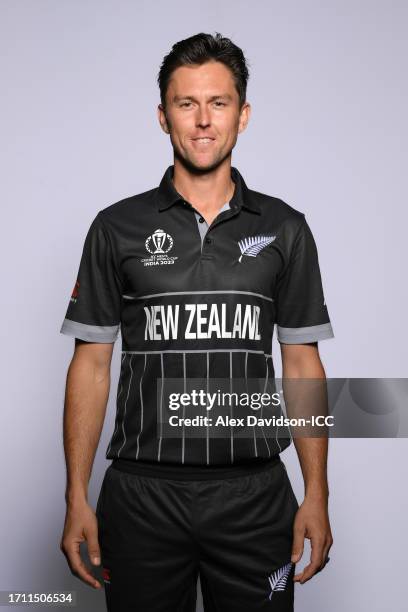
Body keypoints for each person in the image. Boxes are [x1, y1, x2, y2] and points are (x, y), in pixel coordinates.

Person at [59, 32, 334, 612]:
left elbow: (303, 363)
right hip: (141, 494)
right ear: (163, 117)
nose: (203, 120)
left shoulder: (286, 229)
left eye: (219, 103)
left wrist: (317, 492)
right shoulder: (116, 228)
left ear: (243, 114)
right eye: (187, 104)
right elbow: (91, 364)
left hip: (255, 494)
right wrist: (75, 496)